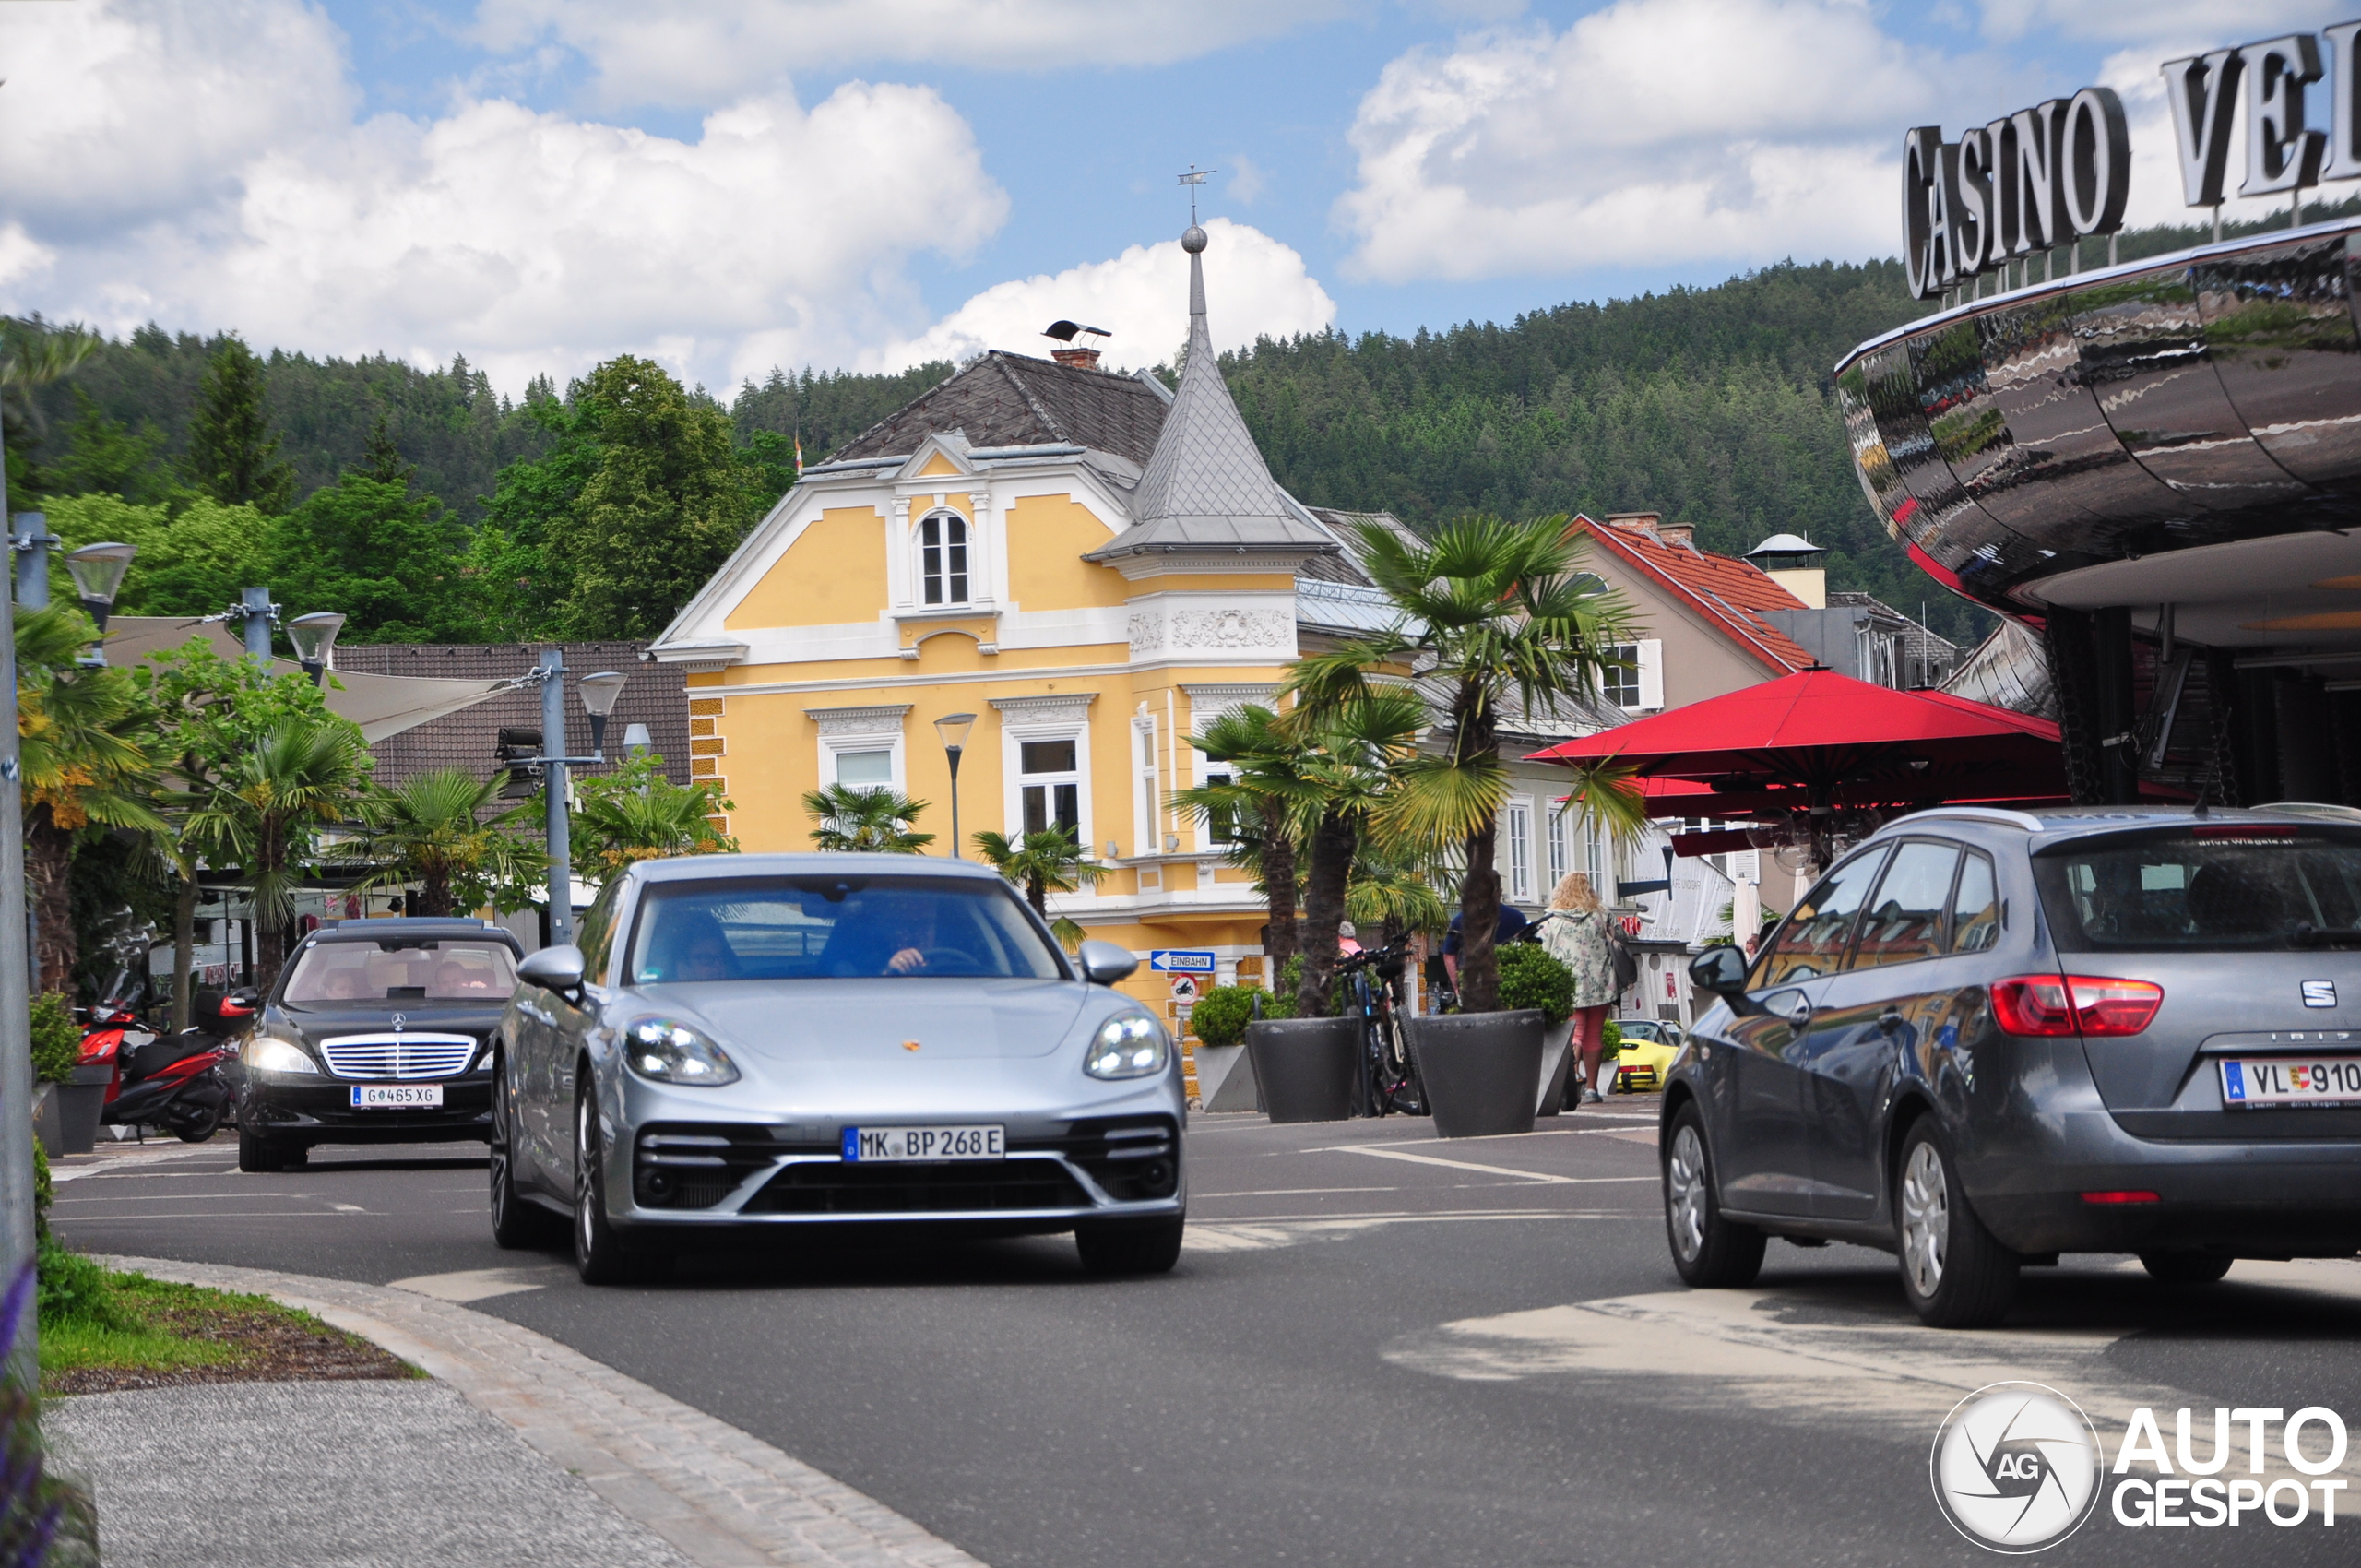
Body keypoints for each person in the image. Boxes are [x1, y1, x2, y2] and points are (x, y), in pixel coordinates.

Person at [1535, 872, 1619, 1104]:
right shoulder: (1602, 914)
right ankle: (1591, 1089)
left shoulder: (1551, 918)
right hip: (1601, 983)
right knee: (1594, 1035)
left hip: (1568, 985)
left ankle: (1570, 1083)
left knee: (1575, 1033)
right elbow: (1621, 938)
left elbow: (1542, 950)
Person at [1440, 902, 1530, 987]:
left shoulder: (1460, 919)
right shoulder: (1517, 917)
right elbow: (1529, 951)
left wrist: (1457, 986)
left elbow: (1449, 955)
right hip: (1509, 983)